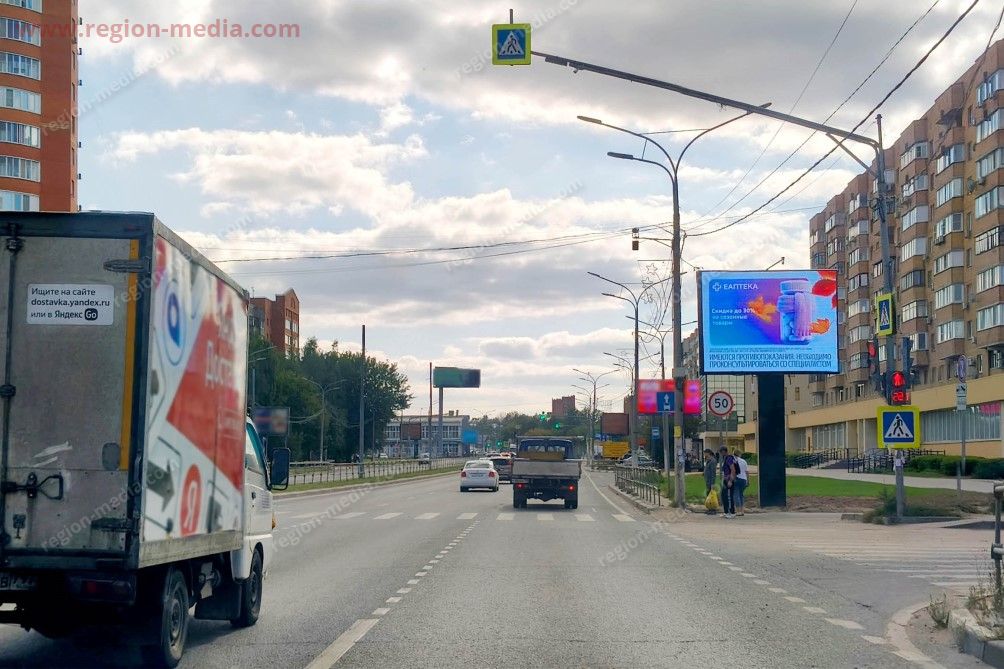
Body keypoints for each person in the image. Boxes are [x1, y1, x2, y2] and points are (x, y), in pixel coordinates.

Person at [719, 446, 737, 518]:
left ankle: (731, 512)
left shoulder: (729, 458)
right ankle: (726, 511)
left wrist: (730, 481)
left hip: (729, 480)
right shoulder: (726, 458)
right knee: (724, 495)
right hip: (726, 480)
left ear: (724, 451)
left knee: (729, 496)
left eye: (721, 452)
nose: (720, 454)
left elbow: (733, 470)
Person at [734, 450, 749, 517]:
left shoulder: (733, 461)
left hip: (736, 478)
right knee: (741, 494)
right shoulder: (744, 461)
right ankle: (742, 511)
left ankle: (738, 511)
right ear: (739, 454)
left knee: (736, 494)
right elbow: (747, 472)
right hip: (743, 479)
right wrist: (748, 481)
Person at [703, 449, 718, 515]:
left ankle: (713, 509)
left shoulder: (712, 461)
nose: (704, 455)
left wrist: (712, 483)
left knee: (711, 496)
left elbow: (713, 473)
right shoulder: (708, 460)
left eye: (705, 453)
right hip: (707, 481)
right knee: (708, 495)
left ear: (708, 453)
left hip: (710, 481)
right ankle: (709, 509)